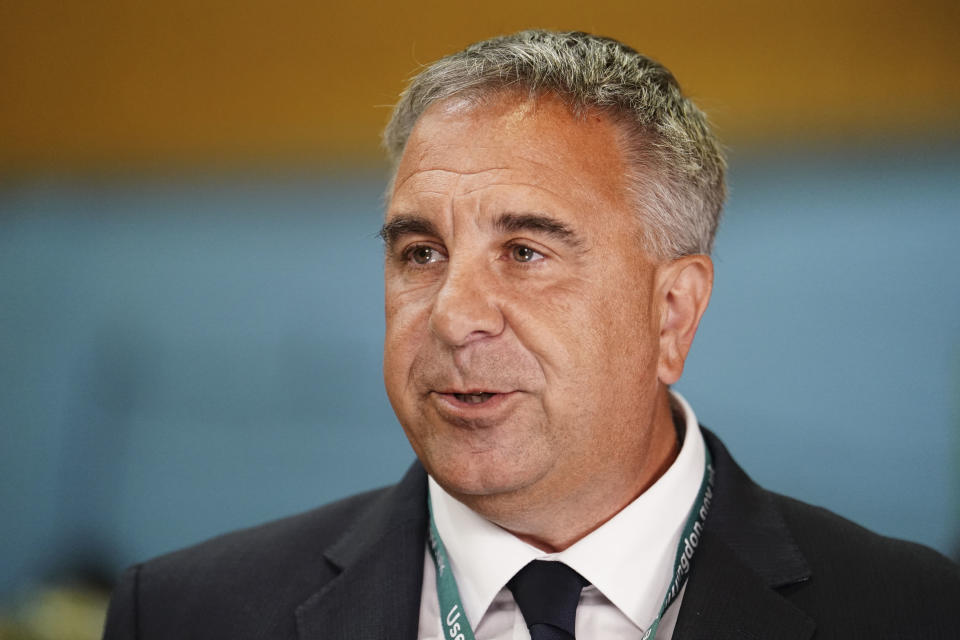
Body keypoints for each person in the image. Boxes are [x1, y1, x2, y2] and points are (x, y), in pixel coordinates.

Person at [102, 30, 960, 639]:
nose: (453, 316)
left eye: (524, 250)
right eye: (421, 251)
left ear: (672, 312)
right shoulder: (184, 614)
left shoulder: (914, 612)